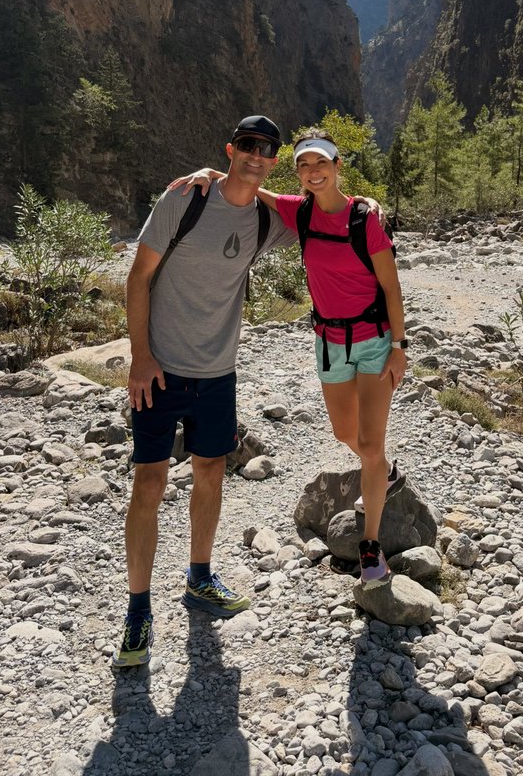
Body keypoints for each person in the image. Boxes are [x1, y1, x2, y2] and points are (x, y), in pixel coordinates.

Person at [176, 128, 408, 589]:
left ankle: (370, 546)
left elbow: (392, 286)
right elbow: (250, 187)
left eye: (321, 162)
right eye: (304, 165)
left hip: (374, 341)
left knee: (371, 440)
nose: (313, 171)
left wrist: (400, 347)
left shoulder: (365, 219)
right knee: (345, 433)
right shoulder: (297, 211)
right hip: (328, 341)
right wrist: (213, 173)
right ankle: (382, 473)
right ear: (299, 173)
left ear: (338, 165)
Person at [113, 115, 295, 670]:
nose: (256, 154)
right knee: (150, 481)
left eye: (267, 149)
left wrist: (369, 205)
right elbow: (138, 278)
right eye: (247, 145)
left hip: (218, 373)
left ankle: (198, 578)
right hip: (160, 370)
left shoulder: (269, 218)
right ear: (231, 148)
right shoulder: (183, 200)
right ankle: (137, 611)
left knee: (212, 472)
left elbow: (327, 210)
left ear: (274, 160)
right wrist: (140, 358)